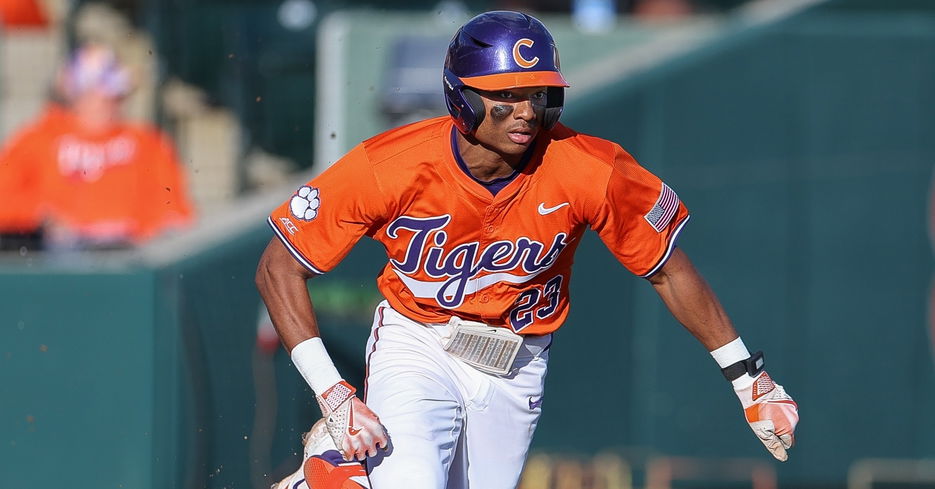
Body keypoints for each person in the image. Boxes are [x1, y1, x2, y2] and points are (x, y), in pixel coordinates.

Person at [256, 10, 798, 489]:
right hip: (418, 343)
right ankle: (334, 467)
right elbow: (277, 268)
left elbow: (668, 271)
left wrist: (748, 377)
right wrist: (332, 392)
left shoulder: (589, 168)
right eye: (507, 95)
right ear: (461, 96)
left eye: (537, 94)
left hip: (517, 364)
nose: (525, 111)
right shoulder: (389, 166)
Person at [0, 43, 194, 251]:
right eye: (101, 95)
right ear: (76, 96)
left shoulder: (148, 143)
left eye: (118, 95)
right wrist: (40, 213)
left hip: (132, 255)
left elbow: (174, 210)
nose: (113, 102)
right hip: (60, 258)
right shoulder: (38, 139)